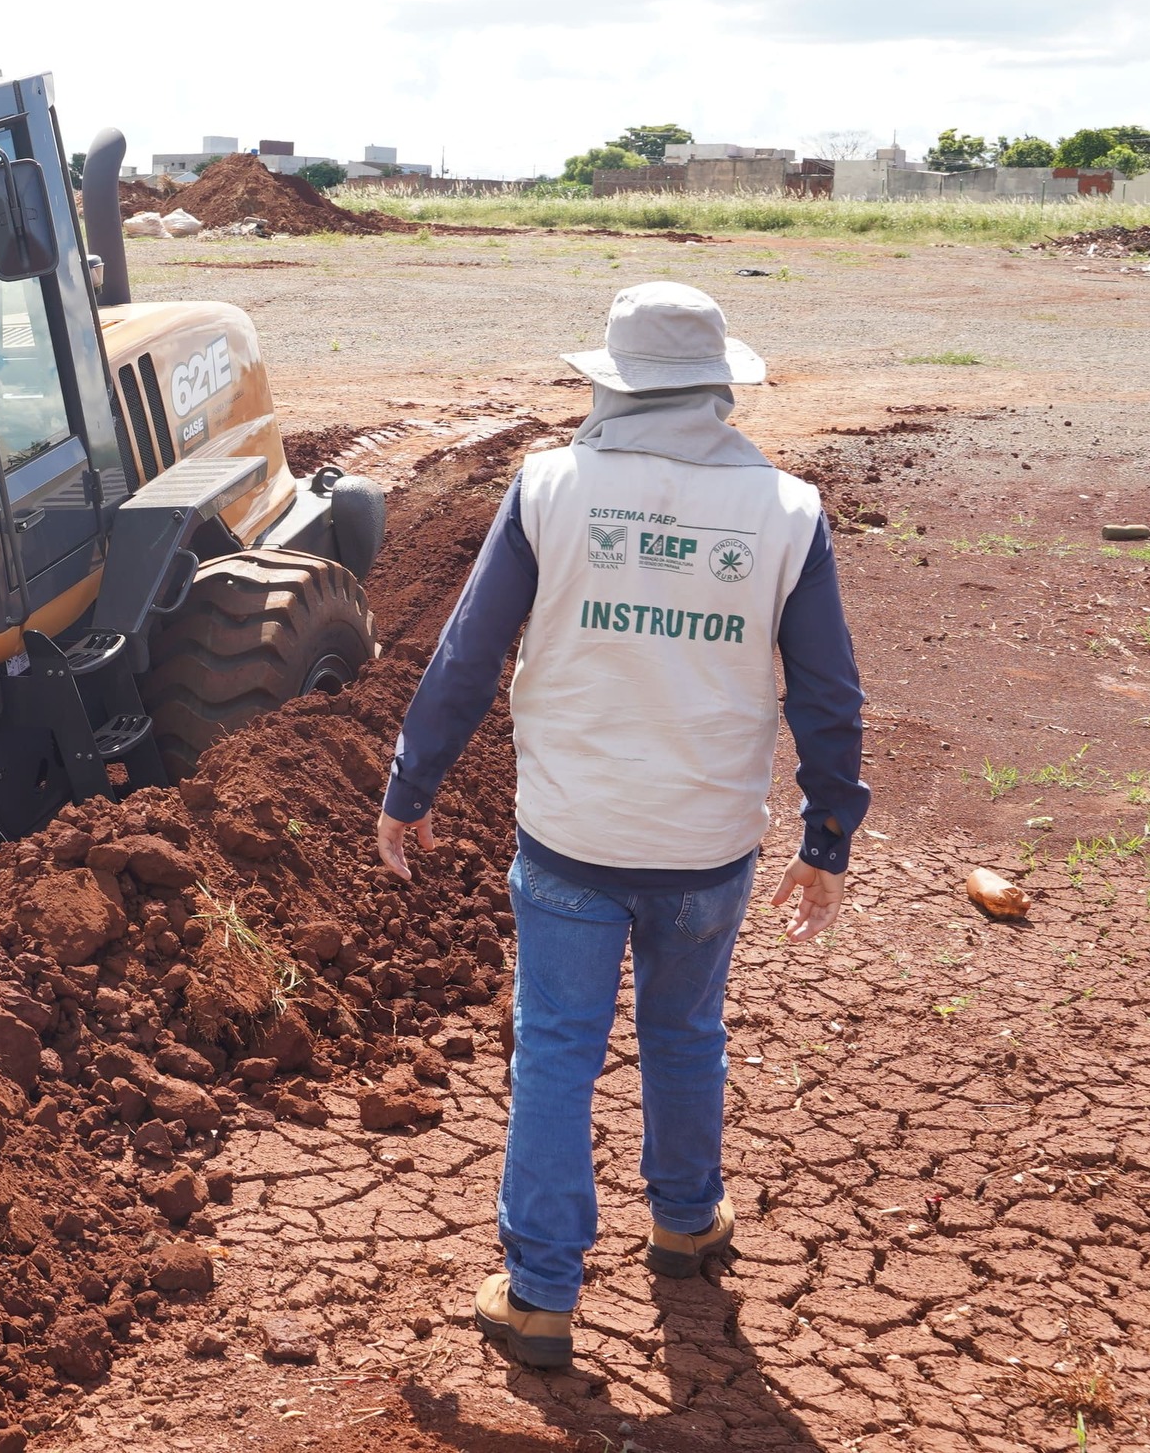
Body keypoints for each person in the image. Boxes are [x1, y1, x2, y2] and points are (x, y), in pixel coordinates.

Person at [372, 281, 868, 1370]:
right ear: (719, 389)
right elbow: (828, 695)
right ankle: (688, 1224)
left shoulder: (549, 487)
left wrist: (410, 787)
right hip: (707, 845)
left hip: (570, 839)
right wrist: (827, 838)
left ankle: (542, 1293)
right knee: (686, 1032)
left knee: (555, 1049)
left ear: (610, 383)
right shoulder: (786, 512)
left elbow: (465, 658)